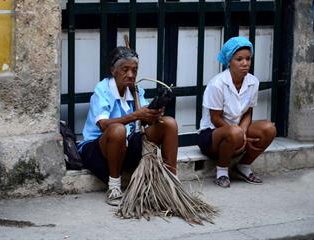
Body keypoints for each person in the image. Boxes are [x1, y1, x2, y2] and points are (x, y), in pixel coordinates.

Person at [78, 46, 178, 205]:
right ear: (113, 70)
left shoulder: (136, 91)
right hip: (98, 149)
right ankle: (114, 187)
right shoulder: (102, 90)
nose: (131, 75)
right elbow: (103, 125)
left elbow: (144, 120)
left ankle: (172, 182)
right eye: (125, 69)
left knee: (169, 123)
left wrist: (153, 114)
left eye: (134, 70)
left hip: (126, 146)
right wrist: (136, 115)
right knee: (118, 130)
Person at [197, 36, 277, 188]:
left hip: (237, 130)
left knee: (269, 128)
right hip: (212, 135)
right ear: (229, 61)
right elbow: (215, 118)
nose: (245, 63)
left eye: (248, 58)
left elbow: (248, 112)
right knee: (234, 132)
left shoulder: (253, 82)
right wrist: (238, 134)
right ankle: (221, 172)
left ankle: (243, 166)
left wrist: (243, 133)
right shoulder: (217, 84)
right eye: (239, 59)